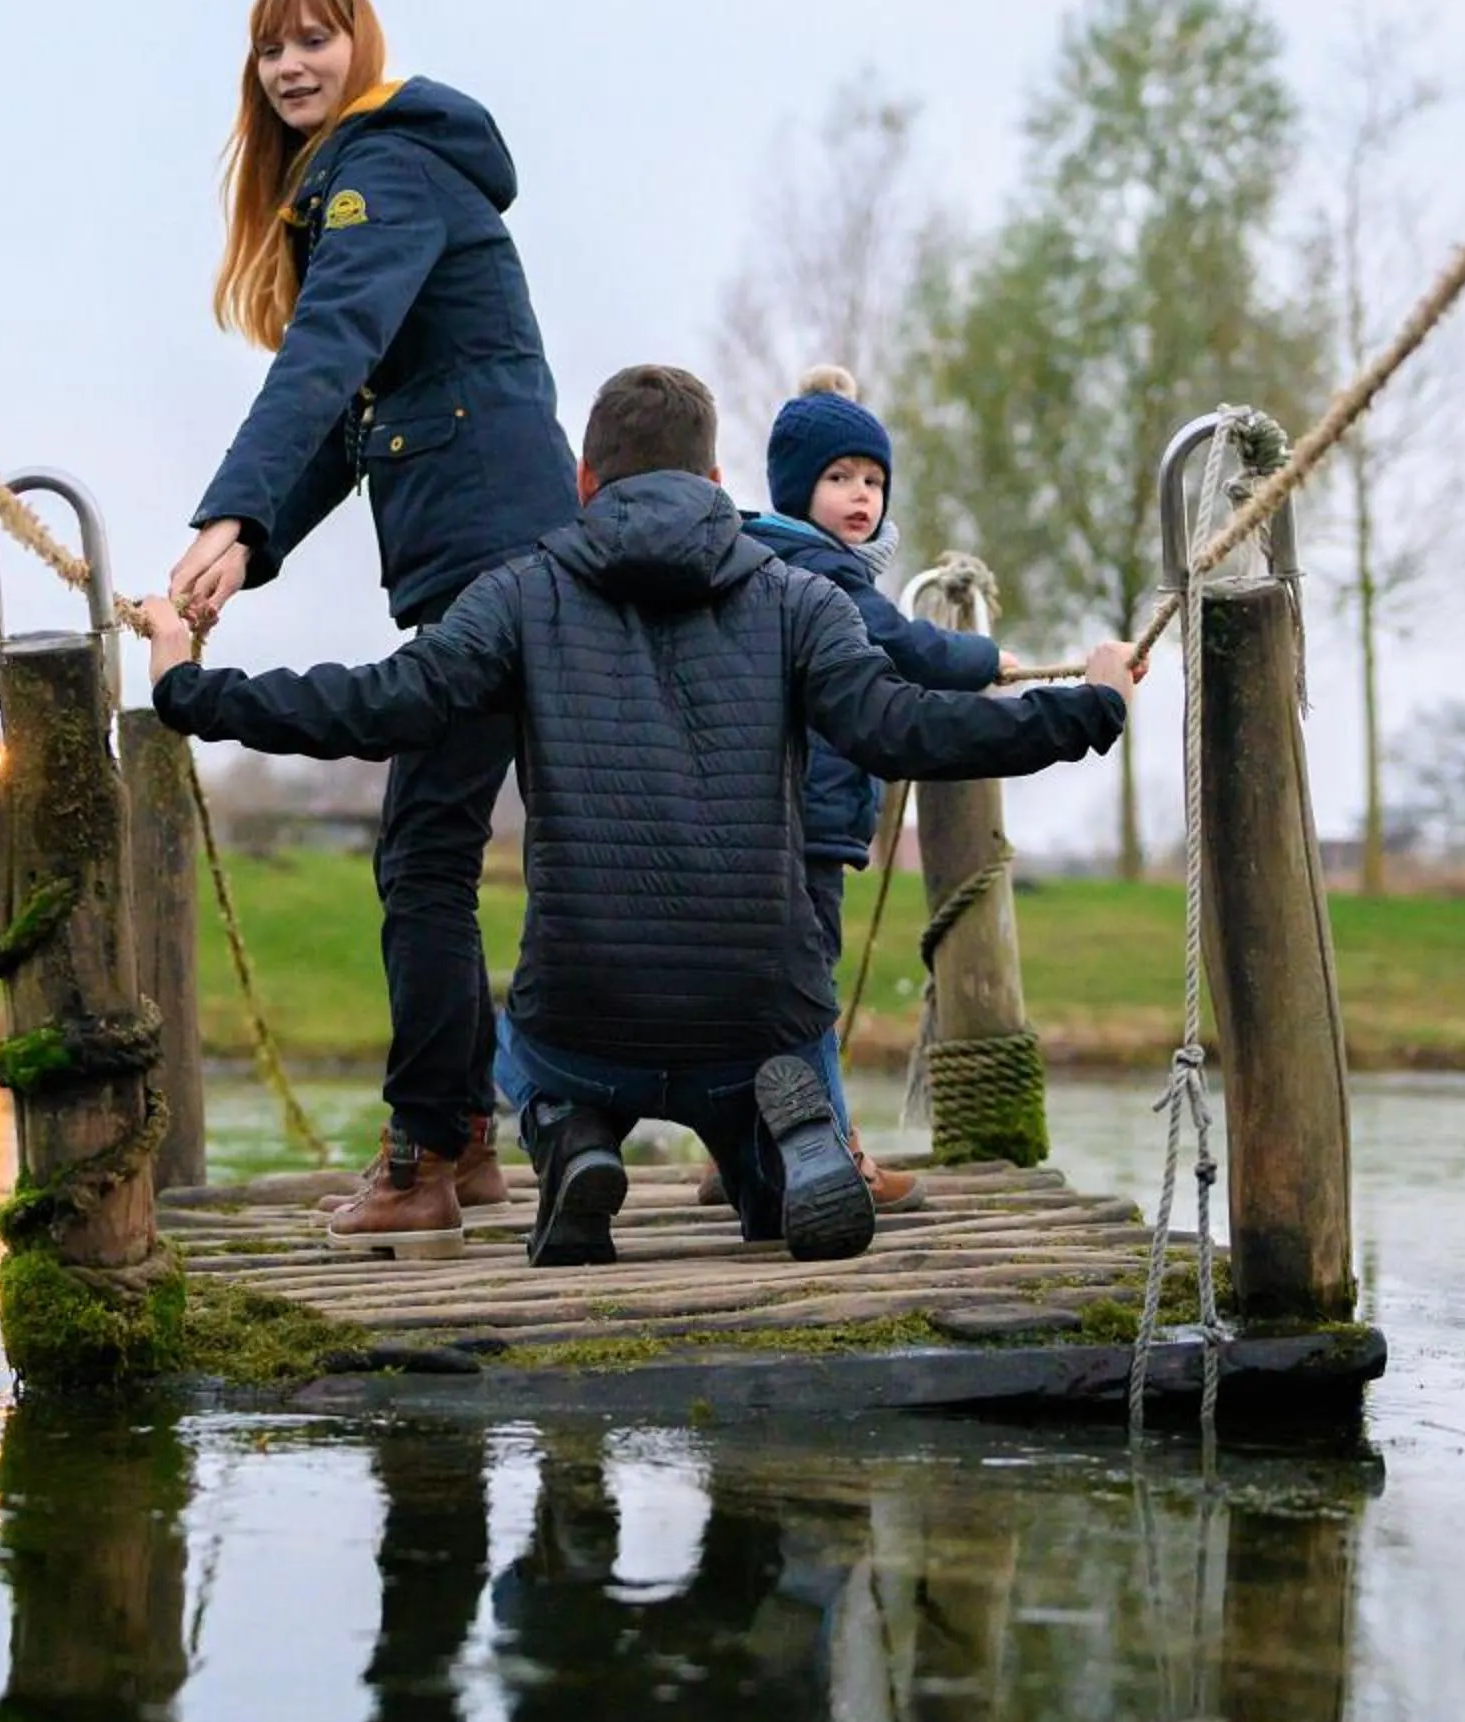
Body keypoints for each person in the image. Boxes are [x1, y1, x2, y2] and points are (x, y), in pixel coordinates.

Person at [142, 365, 1136, 1265]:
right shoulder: (799, 599)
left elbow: (371, 705)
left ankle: (572, 1136)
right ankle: (782, 1147)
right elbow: (909, 730)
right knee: (761, 1088)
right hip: (758, 1011)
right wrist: (1090, 707)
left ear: (584, 483)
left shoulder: (518, 593)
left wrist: (190, 687)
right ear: (715, 480)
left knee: (521, 1044)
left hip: (584, 1013)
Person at [167, 0, 580, 1240]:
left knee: (421, 860)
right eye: (271, 52)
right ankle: (460, 1145)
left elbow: (328, 350)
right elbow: (361, 425)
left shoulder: (382, 170)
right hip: (492, 543)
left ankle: (425, 1158)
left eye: (314, 41)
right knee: (431, 851)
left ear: (360, 45)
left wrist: (225, 509)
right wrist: (251, 546)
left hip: (493, 554)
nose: (292, 67)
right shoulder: (375, 174)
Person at [715, 365, 1030, 1214]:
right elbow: (903, 644)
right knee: (808, 986)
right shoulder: (827, 574)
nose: (861, 496)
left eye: (873, 481)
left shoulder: (766, 555)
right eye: (839, 478)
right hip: (807, 817)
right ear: (795, 487)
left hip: (762, 816)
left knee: (760, 987)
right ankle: (833, 1156)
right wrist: (983, 660)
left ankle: (740, 1151)